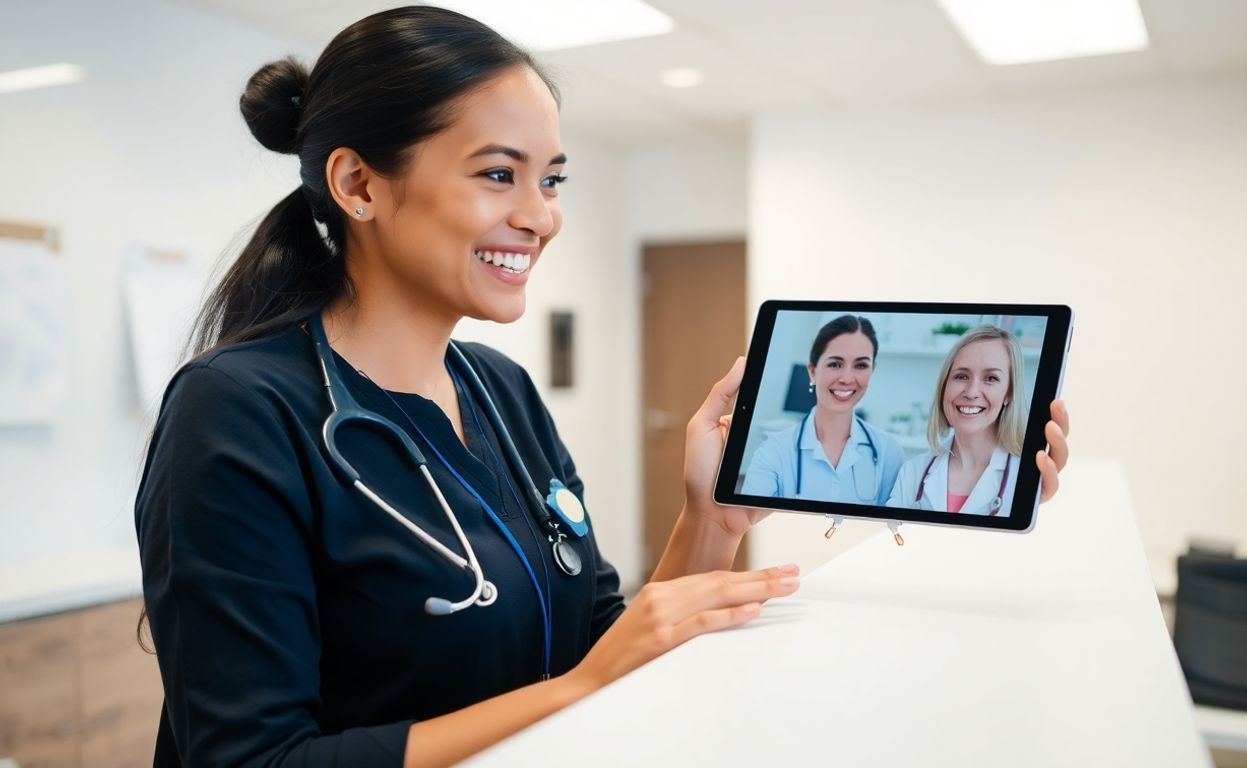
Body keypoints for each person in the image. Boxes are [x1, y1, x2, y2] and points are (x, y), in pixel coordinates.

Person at [135, 8, 1070, 767]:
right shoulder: (238, 411)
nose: (540, 216)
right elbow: (252, 760)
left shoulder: (499, 391)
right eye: (499, 173)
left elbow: (596, 649)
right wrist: (581, 690)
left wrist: (710, 520)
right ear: (359, 185)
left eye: (552, 178)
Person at [741, 315, 904, 504]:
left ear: (872, 371)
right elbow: (753, 528)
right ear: (812, 372)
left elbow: (893, 527)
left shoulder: (888, 451)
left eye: (861, 365)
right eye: (835, 364)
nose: (847, 378)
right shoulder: (773, 452)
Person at [888, 325, 1034, 515]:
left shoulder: (1029, 477)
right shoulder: (912, 473)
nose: (972, 392)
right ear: (944, 387)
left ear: (1009, 394)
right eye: (961, 376)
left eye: (990, 378)